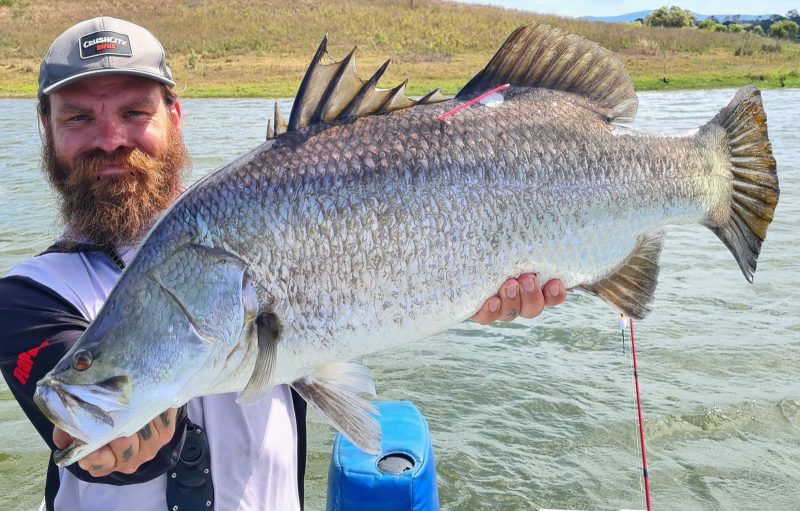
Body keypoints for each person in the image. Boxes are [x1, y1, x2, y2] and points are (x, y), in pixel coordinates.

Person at [0, 17, 567, 511]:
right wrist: (125, 435)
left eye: (134, 111)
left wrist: (475, 287)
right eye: (79, 118)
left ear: (175, 117)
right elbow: (111, 446)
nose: (110, 139)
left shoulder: (259, 218)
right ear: (46, 128)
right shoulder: (26, 295)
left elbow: (403, 273)